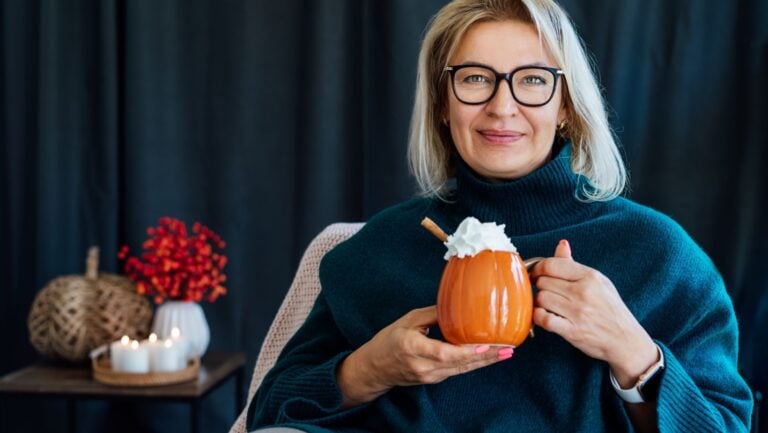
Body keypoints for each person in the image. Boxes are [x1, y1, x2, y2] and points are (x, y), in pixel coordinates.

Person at [247, 0, 753, 431]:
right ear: (443, 104)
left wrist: (633, 352)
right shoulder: (377, 251)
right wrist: (370, 369)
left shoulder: (657, 253)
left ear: (566, 107)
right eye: (474, 78)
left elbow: (725, 423)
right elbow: (269, 411)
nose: (501, 106)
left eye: (532, 80)